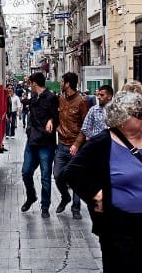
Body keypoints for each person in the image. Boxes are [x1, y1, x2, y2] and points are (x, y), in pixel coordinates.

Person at [64, 91, 142, 272]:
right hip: (119, 228)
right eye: (139, 114)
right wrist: (96, 194)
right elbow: (71, 172)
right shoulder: (102, 143)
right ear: (122, 118)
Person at [21, 72, 59, 218]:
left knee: (45, 176)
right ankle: (31, 196)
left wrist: (51, 120)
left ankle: (45, 206)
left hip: (45, 143)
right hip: (32, 141)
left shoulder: (50, 97)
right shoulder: (33, 99)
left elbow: (57, 116)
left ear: (34, 83)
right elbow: (30, 115)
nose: (29, 86)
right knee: (26, 172)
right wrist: (29, 130)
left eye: (30, 83)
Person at [54, 72, 89, 219]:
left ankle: (76, 208)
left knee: (76, 177)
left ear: (67, 84)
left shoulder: (81, 101)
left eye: (62, 81)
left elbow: (85, 126)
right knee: (57, 175)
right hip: (62, 144)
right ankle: (65, 197)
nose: (60, 83)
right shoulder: (60, 99)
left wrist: (77, 144)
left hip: (76, 146)